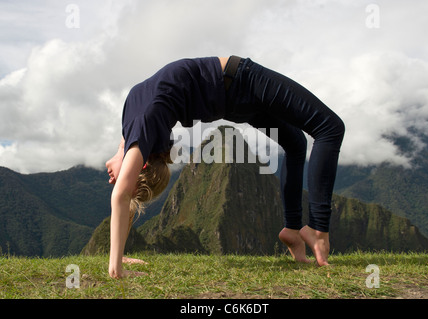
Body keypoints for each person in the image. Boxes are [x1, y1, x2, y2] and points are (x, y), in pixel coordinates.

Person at [105, 56, 345, 278]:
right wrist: (117, 266)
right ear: (141, 165)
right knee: (329, 128)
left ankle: (292, 230)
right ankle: (318, 229)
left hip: (232, 100)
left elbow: (125, 193)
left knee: (296, 143)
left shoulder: (133, 132)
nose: (112, 180)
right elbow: (123, 196)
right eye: (123, 178)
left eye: (117, 178)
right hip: (240, 80)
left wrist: (119, 255)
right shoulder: (143, 127)